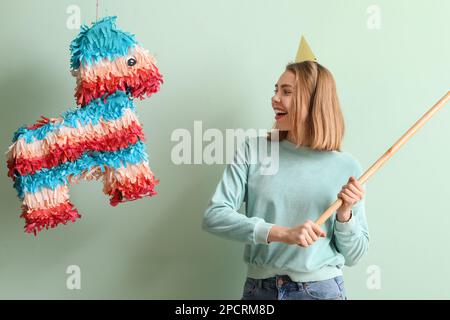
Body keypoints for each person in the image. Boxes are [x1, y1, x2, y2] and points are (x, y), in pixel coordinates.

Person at [202, 60, 369, 300]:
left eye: (287, 92)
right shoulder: (254, 150)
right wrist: (281, 233)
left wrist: (345, 215)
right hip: (258, 291)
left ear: (313, 102)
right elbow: (214, 216)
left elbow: (355, 256)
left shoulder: (347, 167)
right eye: (276, 90)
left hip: (320, 292)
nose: (275, 98)